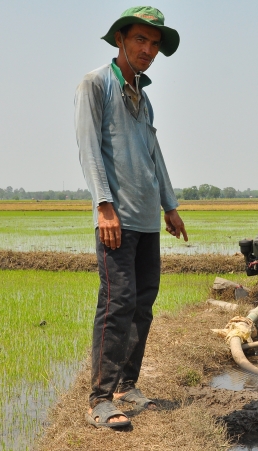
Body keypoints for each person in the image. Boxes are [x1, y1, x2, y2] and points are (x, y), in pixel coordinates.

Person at [75, 6, 188, 429]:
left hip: (146, 218)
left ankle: (126, 385)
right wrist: (104, 205)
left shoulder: (144, 98)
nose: (149, 50)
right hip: (116, 218)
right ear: (120, 39)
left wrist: (170, 206)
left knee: (143, 303)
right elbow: (89, 149)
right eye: (141, 40)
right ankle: (99, 400)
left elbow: (153, 155)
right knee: (117, 303)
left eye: (155, 43)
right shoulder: (96, 85)